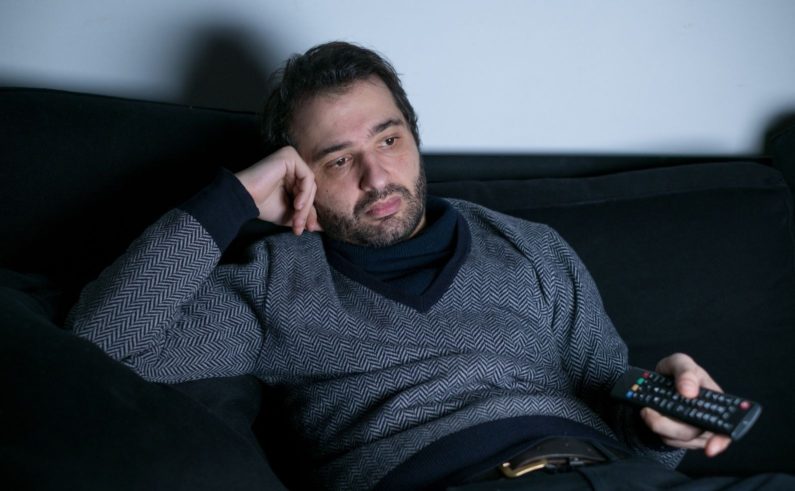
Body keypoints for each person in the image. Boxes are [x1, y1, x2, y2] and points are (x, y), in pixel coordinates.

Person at [66, 42, 790, 491]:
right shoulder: (269, 283)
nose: (377, 176)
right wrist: (231, 198)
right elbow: (101, 342)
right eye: (337, 158)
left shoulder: (529, 247)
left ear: (415, 135)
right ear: (297, 177)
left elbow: (619, 412)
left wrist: (663, 426)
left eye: (388, 139)